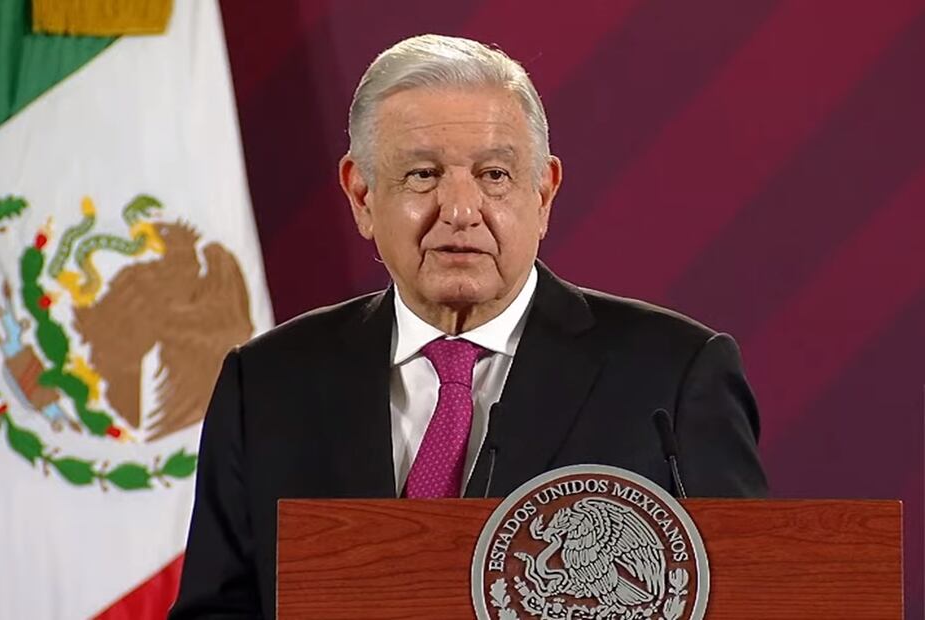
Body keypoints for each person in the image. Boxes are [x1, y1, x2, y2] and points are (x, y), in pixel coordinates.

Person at [169, 34, 767, 619]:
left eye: (494, 175)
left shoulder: (671, 377)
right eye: (423, 174)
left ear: (543, 193)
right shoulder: (267, 383)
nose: (460, 211)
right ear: (361, 196)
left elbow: (755, 597)